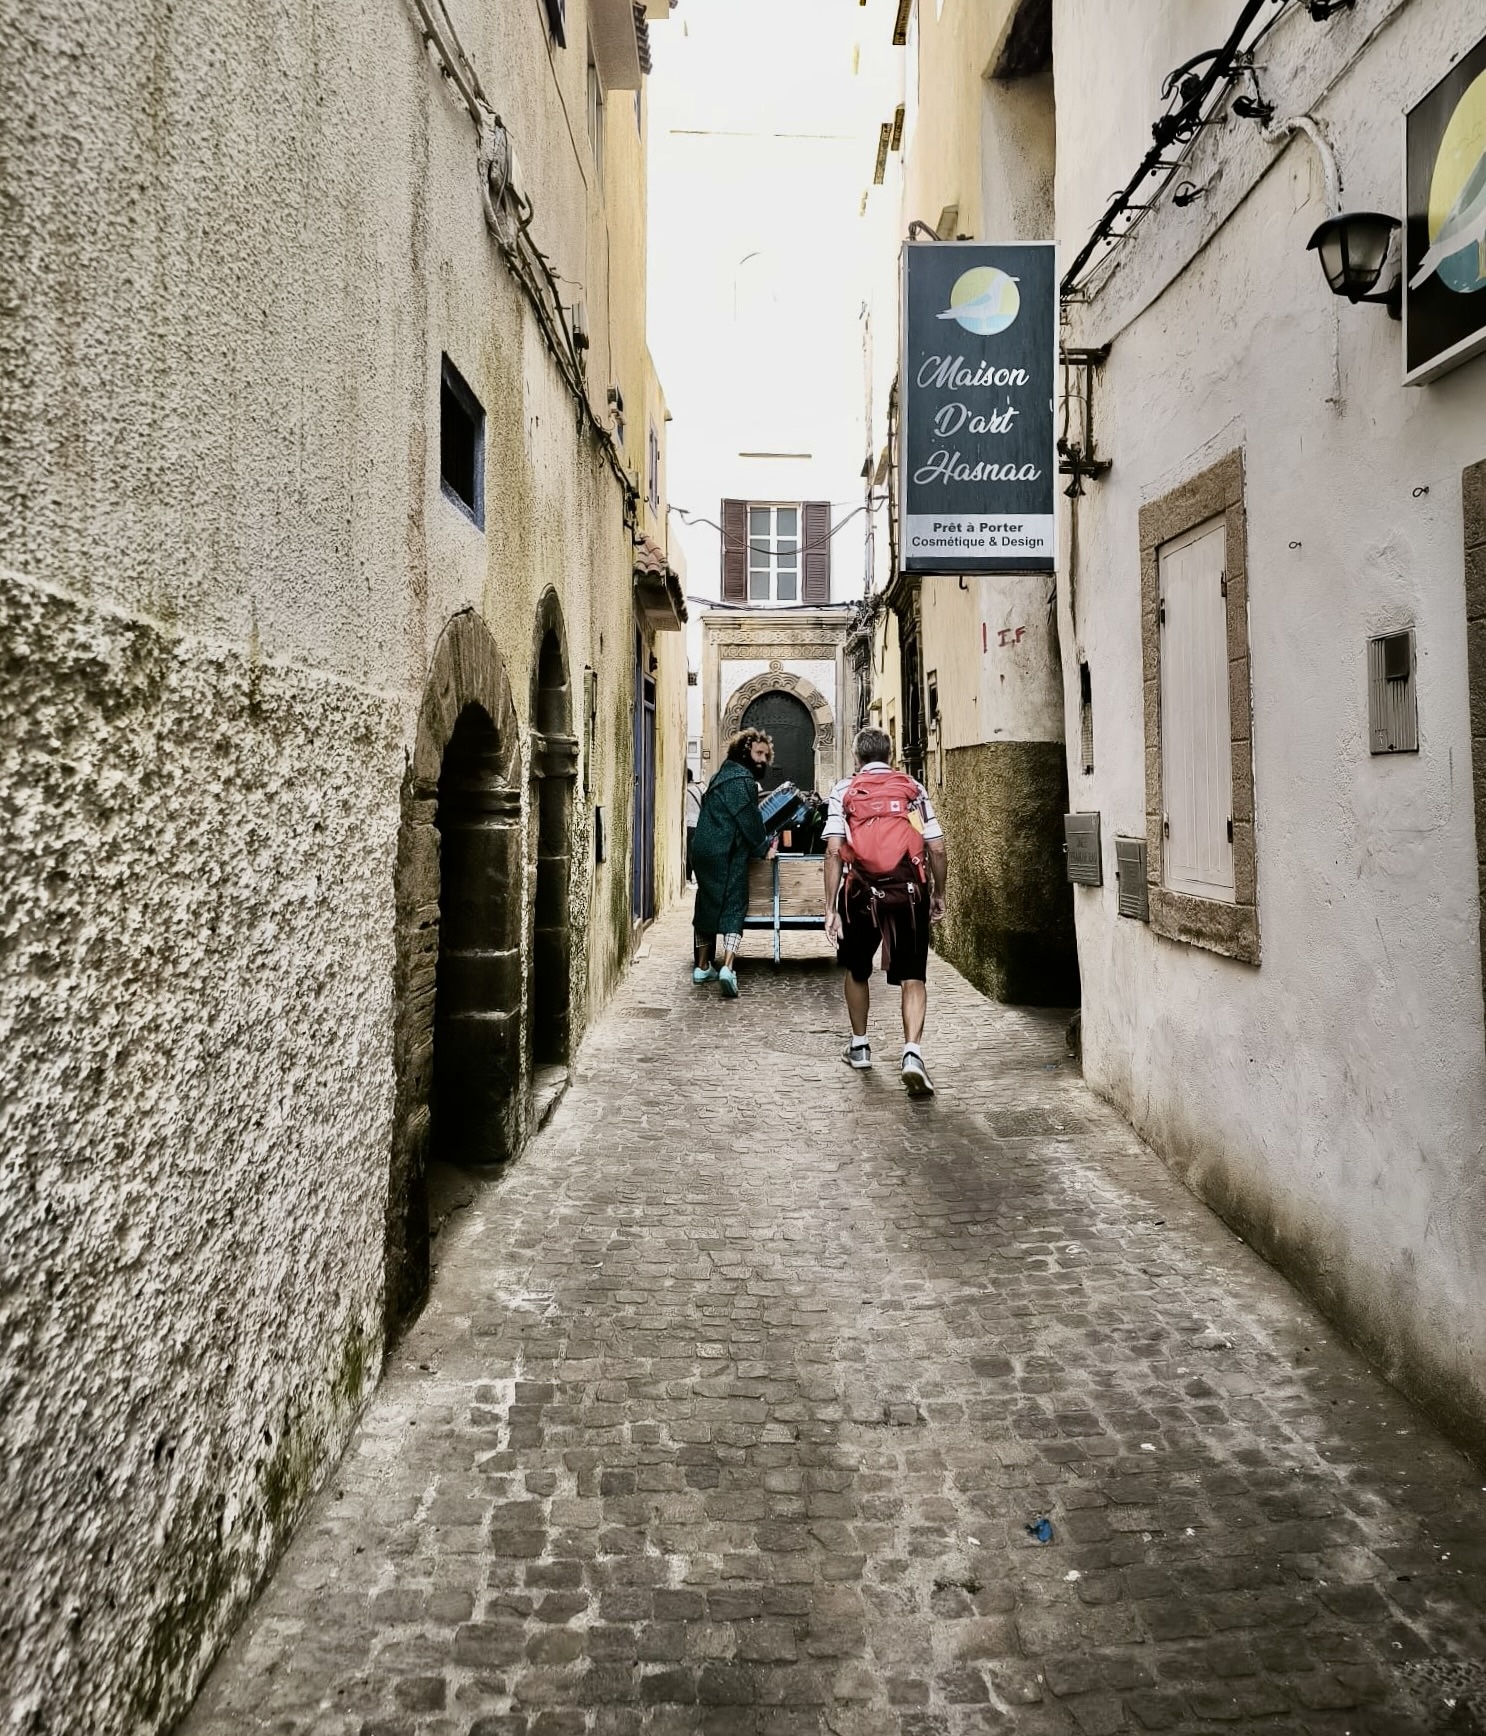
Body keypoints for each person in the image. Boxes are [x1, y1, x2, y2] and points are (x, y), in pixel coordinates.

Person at [822, 727, 948, 1096]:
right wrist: (938, 893)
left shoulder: (844, 790)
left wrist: (830, 908)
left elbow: (833, 850)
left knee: (857, 969)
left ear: (856, 757)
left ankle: (859, 1046)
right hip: (909, 893)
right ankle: (912, 1054)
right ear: (890, 756)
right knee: (913, 976)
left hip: (860, 893)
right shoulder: (912, 788)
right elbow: (936, 847)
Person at [690, 729, 776, 998]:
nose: (762, 759)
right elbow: (749, 822)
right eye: (758, 753)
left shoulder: (719, 777)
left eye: (765, 754)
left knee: (707, 902)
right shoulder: (742, 781)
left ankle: (703, 967)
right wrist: (763, 849)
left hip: (703, 850)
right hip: (726, 852)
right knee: (734, 904)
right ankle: (727, 968)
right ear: (744, 752)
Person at [684, 768, 703, 884]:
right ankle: (688, 876)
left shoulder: (685, 791)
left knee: (689, 852)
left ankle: (694, 877)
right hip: (699, 823)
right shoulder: (698, 789)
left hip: (689, 824)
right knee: (693, 851)